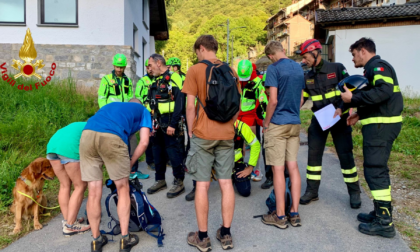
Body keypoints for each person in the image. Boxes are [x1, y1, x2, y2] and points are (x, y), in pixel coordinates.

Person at [183, 35, 241, 251]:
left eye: (196, 51)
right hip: (226, 134)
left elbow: (190, 106)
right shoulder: (231, 71)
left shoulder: (195, 70)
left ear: (200, 48)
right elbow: (238, 104)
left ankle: (203, 237)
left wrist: (191, 131)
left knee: (202, 185)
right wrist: (229, 126)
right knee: (226, 183)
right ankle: (226, 235)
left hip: (203, 135)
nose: (197, 55)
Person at [341, 38, 403, 238]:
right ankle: (379, 213)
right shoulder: (372, 70)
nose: (352, 59)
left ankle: (384, 222)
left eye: (353, 54)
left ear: (363, 51)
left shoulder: (377, 67)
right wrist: (360, 114)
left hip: (381, 127)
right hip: (379, 124)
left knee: (375, 171)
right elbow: (379, 99)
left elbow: (384, 92)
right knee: (374, 169)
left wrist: (353, 99)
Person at [297, 39, 362, 209]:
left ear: (315, 52)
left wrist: (342, 108)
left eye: (306, 57)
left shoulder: (337, 68)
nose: (304, 60)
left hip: (340, 119)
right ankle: (312, 191)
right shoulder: (308, 76)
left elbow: (351, 91)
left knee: (345, 155)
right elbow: (302, 98)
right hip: (320, 120)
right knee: (313, 155)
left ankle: (354, 192)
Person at [80, 99, 151, 252]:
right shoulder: (143, 111)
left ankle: (96, 240)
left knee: (93, 192)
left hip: (86, 135)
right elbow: (144, 142)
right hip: (112, 136)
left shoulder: (111, 106)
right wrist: (130, 163)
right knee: (122, 189)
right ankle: (125, 239)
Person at [261, 40, 304, 229]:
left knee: (278, 169)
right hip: (294, 123)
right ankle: (294, 213)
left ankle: (279, 216)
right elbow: (302, 98)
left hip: (278, 123)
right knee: (293, 167)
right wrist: (293, 111)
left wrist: (266, 122)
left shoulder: (273, 69)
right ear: (283, 51)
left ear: (271, 56)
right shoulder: (298, 67)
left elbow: (273, 100)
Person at [185, 119, 261, 201]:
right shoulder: (207, 126)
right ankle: (196, 186)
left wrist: (250, 167)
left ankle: (232, 175)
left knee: (245, 191)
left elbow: (255, 144)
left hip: (236, 163)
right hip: (217, 163)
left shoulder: (239, 126)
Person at [146, 54, 186, 198]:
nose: (149, 69)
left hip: (171, 121)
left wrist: (173, 124)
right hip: (158, 121)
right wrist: (151, 123)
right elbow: (152, 103)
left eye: (150, 65)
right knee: (157, 152)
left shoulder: (174, 77)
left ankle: (179, 181)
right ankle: (160, 180)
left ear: (158, 63)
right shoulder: (155, 81)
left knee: (173, 152)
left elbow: (180, 102)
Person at [46, 122, 90, 237]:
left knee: (64, 185)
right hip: (69, 148)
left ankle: (68, 221)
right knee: (80, 185)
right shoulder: (95, 127)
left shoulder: (81, 124)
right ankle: (70, 226)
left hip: (52, 146)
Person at [236, 60, 268, 182]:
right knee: (239, 145)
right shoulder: (237, 81)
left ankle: (257, 170)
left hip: (251, 118)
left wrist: (261, 121)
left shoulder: (257, 82)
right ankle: (241, 166)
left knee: (254, 144)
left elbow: (261, 102)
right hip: (237, 117)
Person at [135, 58, 156, 171]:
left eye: (151, 66)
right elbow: (138, 96)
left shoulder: (157, 79)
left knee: (157, 137)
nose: (149, 69)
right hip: (146, 112)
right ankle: (150, 161)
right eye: (147, 67)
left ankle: (159, 159)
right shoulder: (142, 81)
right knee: (148, 137)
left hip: (156, 111)